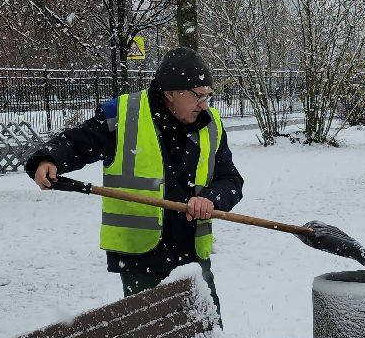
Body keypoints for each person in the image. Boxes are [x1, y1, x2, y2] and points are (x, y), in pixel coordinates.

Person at [26, 47, 244, 310]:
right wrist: (49, 159)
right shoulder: (124, 115)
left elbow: (231, 180)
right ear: (171, 93)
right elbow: (77, 143)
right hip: (141, 257)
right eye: (198, 96)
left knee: (208, 333)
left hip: (192, 253)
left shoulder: (211, 124)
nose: (204, 104)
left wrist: (211, 198)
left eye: (208, 96)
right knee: (150, 336)